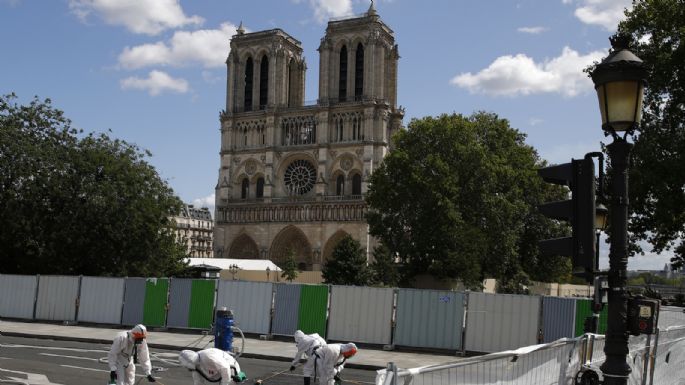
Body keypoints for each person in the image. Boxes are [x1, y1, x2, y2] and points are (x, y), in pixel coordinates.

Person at [178, 348, 246, 385]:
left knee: (229, 382)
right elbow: (198, 382)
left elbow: (225, 368)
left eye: (186, 367)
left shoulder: (208, 356)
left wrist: (225, 384)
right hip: (218, 370)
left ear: (190, 363)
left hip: (230, 367)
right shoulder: (195, 366)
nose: (187, 369)